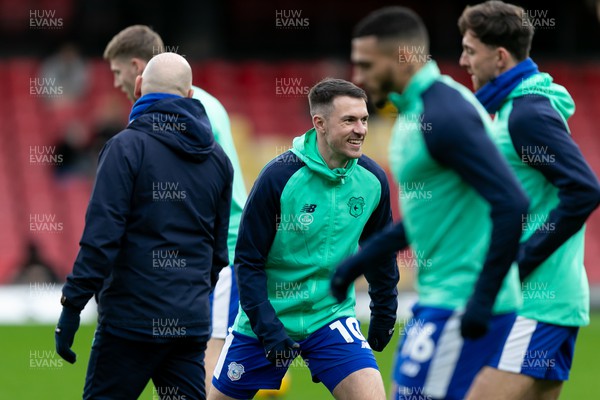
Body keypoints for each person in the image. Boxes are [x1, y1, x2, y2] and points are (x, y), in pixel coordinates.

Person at [331, 6, 530, 400]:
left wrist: (482, 300)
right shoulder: (417, 112)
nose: (358, 77)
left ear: (399, 58)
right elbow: (430, 214)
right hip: (440, 299)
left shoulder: (446, 112)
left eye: (366, 65)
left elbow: (512, 202)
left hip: (460, 303)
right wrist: (359, 261)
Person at [54, 52, 233, 399]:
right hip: (190, 323)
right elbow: (217, 252)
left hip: (129, 323)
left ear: (138, 87)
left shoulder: (125, 148)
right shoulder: (219, 161)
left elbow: (100, 239)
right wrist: (190, 296)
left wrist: (71, 307)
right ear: (191, 96)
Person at [209, 78, 399, 400]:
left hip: (330, 317)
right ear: (320, 124)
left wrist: (385, 310)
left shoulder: (372, 180)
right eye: (349, 120)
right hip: (266, 320)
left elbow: (379, 252)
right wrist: (267, 328)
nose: (361, 129)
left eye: (364, 119)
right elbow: (248, 261)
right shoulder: (279, 177)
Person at [457, 2, 600, 399]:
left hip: (537, 303)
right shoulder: (515, 107)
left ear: (499, 57)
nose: (462, 60)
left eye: (470, 50)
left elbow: (585, 189)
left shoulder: (526, 112)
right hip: (546, 301)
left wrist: (522, 259)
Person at [103, 25, 247, 392]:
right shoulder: (198, 107)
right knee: (188, 366)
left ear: (137, 67)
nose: (118, 84)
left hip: (220, 254)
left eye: (118, 74)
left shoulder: (193, 114)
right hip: (204, 255)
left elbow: (205, 193)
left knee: (204, 363)